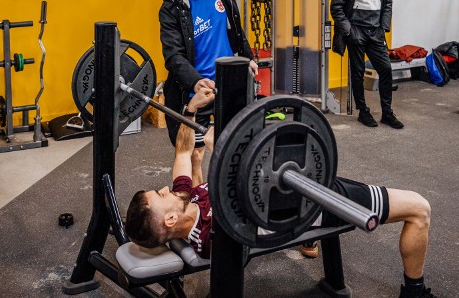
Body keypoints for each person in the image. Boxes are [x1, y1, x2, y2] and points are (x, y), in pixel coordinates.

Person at [126, 89, 435, 298]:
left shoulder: (185, 199)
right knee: (419, 209)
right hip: (305, 202)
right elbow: (244, 193)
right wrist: (220, 151)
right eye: (159, 194)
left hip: (297, 179)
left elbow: (182, 152)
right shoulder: (213, 235)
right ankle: (415, 291)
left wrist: (190, 108)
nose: (165, 188)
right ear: (169, 220)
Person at [159, 0, 258, 186]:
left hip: (229, 80)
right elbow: (173, 56)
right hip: (197, 88)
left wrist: (248, 58)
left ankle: (236, 195)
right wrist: (194, 82)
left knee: (238, 144)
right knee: (195, 153)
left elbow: (235, 28)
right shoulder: (172, 6)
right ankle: (198, 206)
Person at [331, 0, 403, 129]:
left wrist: (383, 27)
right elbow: (336, 8)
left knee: (385, 69)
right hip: (356, 30)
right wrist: (349, 31)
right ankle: (363, 112)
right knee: (358, 73)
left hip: (376, 31)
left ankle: (387, 113)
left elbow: (387, 2)